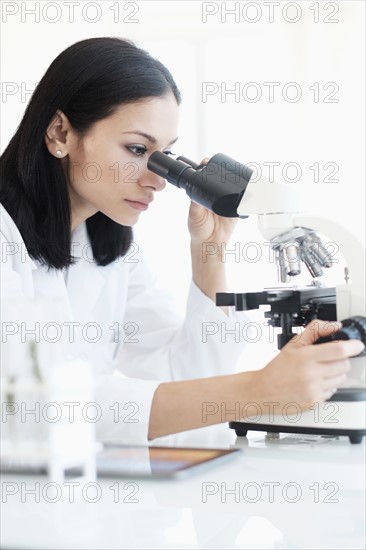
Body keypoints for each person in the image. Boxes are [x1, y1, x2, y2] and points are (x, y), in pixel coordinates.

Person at [0, 37, 363, 444]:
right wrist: (259, 391)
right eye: (137, 148)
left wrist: (210, 250)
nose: (157, 179)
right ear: (60, 132)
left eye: (165, 157)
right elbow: (32, 410)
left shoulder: (110, 246)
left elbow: (185, 377)